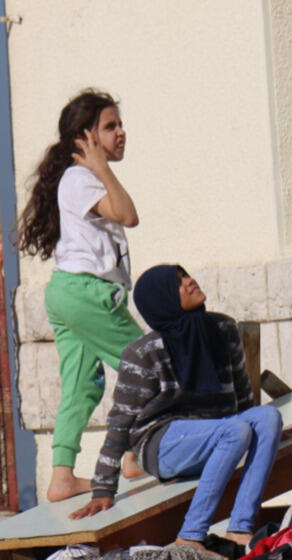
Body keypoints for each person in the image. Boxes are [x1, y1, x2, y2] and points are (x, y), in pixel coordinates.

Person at [70, 264, 283, 552]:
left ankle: (239, 529)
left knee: (268, 416)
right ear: (163, 299)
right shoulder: (143, 353)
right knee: (235, 430)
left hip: (218, 434)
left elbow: (243, 396)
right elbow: (120, 423)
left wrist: (265, 435)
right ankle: (191, 537)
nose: (190, 281)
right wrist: (103, 487)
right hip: (162, 446)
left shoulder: (223, 329)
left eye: (186, 275)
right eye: (178, 282)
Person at [16, 89, 144, 502]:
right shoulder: (80, 178)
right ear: (84, 137)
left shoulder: (75, 181)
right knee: (147, 366)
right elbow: (128, 214)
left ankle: (62, 477)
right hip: (87, 295)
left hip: (68, 293)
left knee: (81, 388)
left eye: (120, 124)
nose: (121, 132)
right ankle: (134, 453)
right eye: (110, 126)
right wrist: (102, 168)